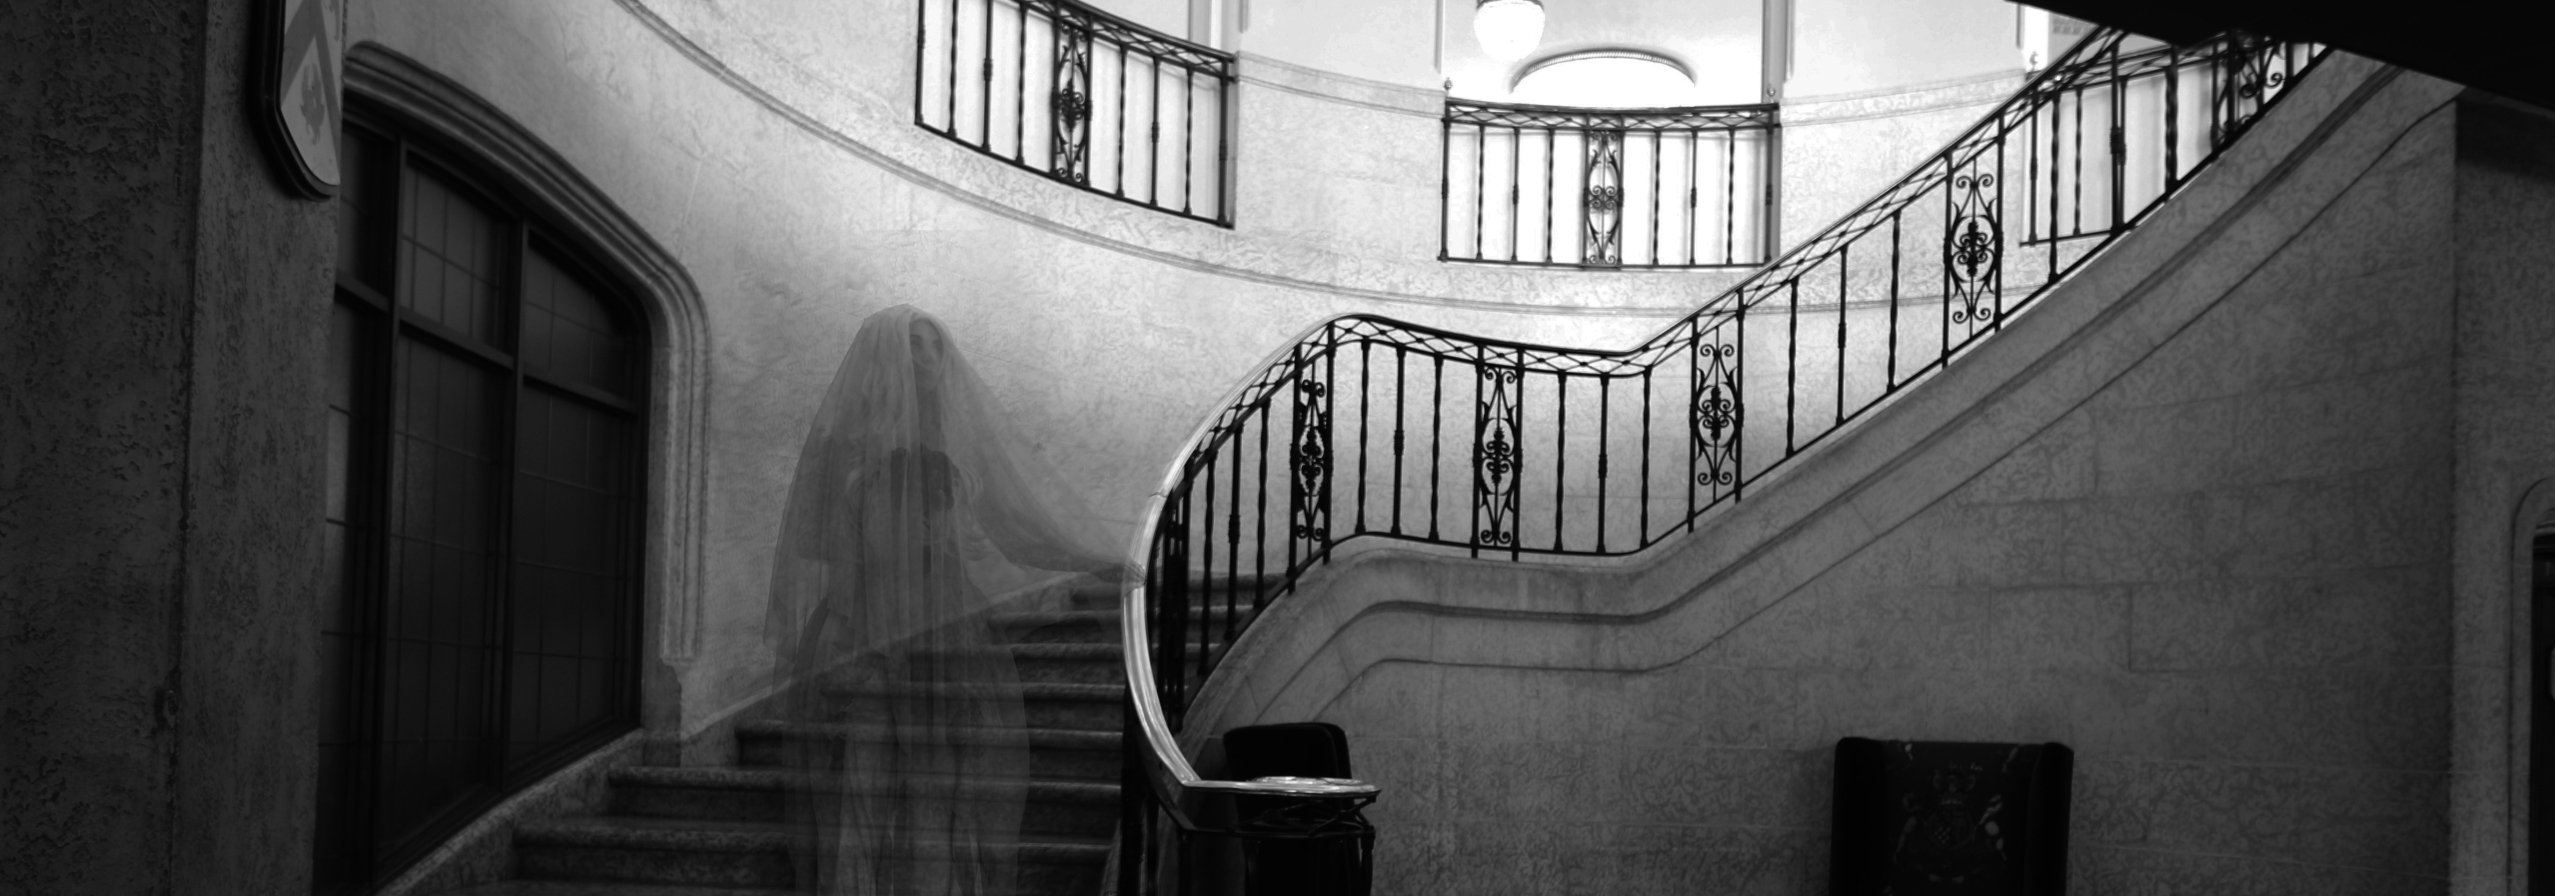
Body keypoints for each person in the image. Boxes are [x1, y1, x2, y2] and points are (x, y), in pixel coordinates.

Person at [763, 304, 1124, 895]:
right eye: (913, 344)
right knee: (866, 781)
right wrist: (852, 631)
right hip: (867, 628)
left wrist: (1090, 558)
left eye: (935, 344)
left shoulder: (957, 438)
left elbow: (1015, 521)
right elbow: (817, 544)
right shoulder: (844, 444)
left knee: (946, 785)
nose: (927, 356)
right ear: (885, 358)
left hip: (949, 626)